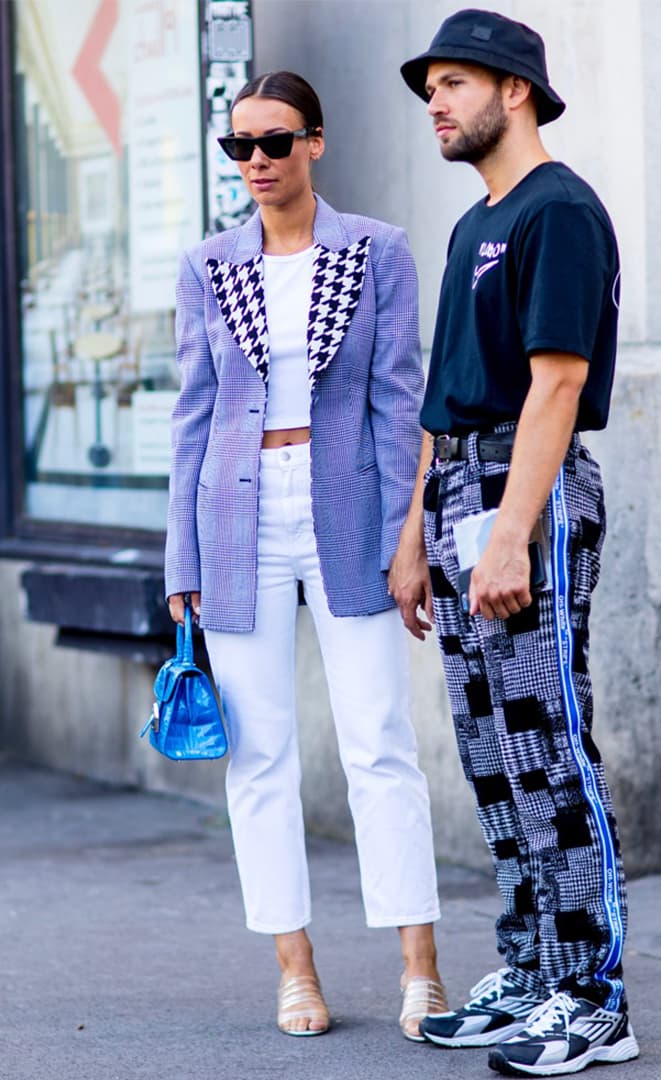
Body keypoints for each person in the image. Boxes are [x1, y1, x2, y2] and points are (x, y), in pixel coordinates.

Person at [164, 70, 446, 1041]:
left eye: (274, 143)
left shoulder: (378, 252)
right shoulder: (208, 266)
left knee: (379, 743)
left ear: (315, 142)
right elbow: (193, 418)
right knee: (260, 756)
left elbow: (402, 405)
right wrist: (179, 565)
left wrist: (411, 537)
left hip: (351, 510)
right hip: (235, 522)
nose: (255, 163)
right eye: (238, 147)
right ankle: (297, 969)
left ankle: (421, 969)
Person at [390, 10, 639, 1076]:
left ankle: (594, 1000)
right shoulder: (471, 225)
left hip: (521, 494)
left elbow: (560, 381)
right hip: (458, 492)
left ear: (517, 89)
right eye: (429, 87)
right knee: (494, 763)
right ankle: (533, 974)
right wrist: (415, 540)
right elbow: (441, 409)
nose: (435, 103)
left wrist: (511, 536)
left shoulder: (558, 211)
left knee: (550, 756)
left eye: (451, 83)